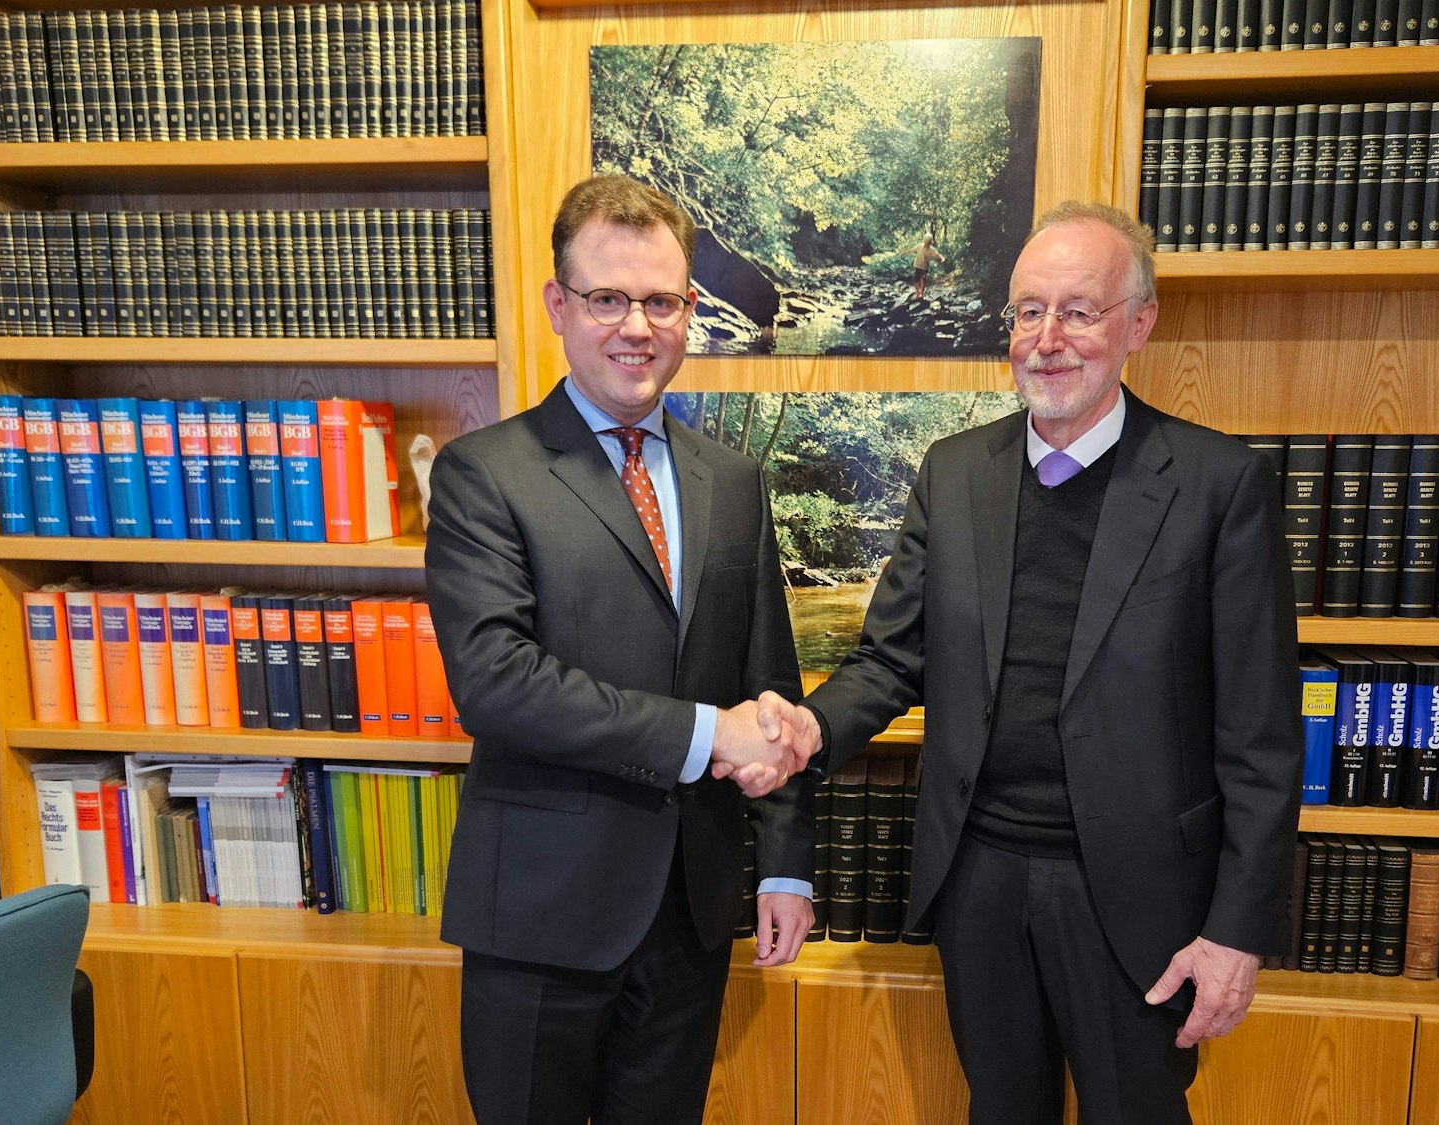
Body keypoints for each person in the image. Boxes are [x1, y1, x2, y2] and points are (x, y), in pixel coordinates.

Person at [761, 201, 1303, 1124]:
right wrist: (809, 726)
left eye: (1079, 312)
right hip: (979, 878)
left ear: (1138, 324)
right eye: (1028, 311)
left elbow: (1262, 738)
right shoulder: (954, 472)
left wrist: (1235, 931)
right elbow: (891, 660)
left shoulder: (1219, 487)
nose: (1047, 340)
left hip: (1142, 896)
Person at [424, 174, 815, 1125]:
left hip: (691, 914)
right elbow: (496, 683)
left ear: (690, 311)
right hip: (541, 919)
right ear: (558, 305)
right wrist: (707, 735)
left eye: (662, 302)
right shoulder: (484, 473)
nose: (636, 326)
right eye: (607, 298)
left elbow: (768, 679)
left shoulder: (734, 480)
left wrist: (785, 863)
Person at [912, 232, 946, 301]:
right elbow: (913, 250)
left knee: (923, 280)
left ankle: (921, 293)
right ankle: (918, 293)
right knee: (916, 280)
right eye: (926, 242)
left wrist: (942, 259)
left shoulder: (932, 250)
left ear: (930, 242)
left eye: (928, 242)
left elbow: (938, 255)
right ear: (924, 241)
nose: (927, 243)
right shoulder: (919, 246)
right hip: (917, 265)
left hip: (924, 267)